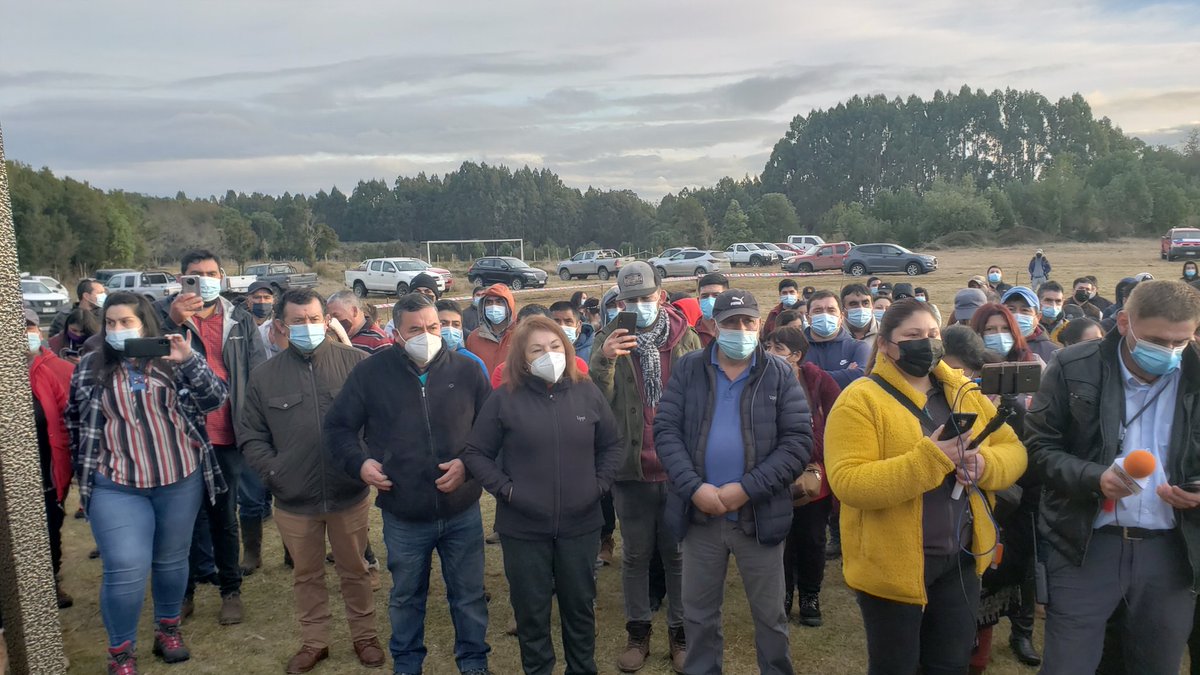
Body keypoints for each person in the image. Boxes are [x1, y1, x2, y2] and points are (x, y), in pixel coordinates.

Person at [825, 299, 1027, 675]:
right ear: (885, 344)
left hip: (961, 559)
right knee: (896, 667)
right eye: (913, 335)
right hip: (892, 567)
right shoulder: (859, 401)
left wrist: (984, 464)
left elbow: (1014, 449)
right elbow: (849, 482)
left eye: (933, 334)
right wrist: (930, 460)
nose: (927, 342)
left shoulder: (962, 391)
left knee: (949, 665)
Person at [1026, 280, 1200, 674]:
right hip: (1086, 544)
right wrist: (1094, 477)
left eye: (1182, 342)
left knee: (1156, 664)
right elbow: (1038, 449)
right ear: (1123, 322)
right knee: (1068, 665)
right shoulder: (1073, 366)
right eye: (1157, 340)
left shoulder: (1196, 374)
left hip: (1171, 552)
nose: (1170, 352)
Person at [324, 293, 493, 675]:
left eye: (433, 327)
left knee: (467, 596)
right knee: (405, 598)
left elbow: (490, 429)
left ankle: (473, 662)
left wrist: (467, 464)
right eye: (416, 329)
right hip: (403, 511)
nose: (429, 335)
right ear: (396, 333)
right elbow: (338, 428)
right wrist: (360, 462)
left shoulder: (468, 371)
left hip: (461, 510)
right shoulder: (370, 373)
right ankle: (407, 663)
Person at [67, 292, 229, 672]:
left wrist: (189, 361)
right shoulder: (90, 365)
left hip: (178, 479)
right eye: (112, 323)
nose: (119, 329)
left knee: (172, 561)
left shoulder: (173, 358)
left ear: (145, 324)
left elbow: (216, 399)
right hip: (116, 482)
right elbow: (73, 418)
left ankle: (167, 629)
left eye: (127, 322)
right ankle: (120, 651)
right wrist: (84, 469)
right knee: (125, 566)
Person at [655, 289, 811, 674]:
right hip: (700, 518)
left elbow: (797, 443)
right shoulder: (688, 368)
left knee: (771, 619)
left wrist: (747, 488)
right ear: (712, 325)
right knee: (699, 617)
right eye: (730, 322)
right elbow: (666, 431)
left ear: (760, 326)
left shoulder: (779, 373)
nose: (740, 330)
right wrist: (694, 488)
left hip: (758, 517)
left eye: (748, 322)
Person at [462, 316, 622, 675]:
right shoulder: (504, 399)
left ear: (565, 350)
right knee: (531, 613)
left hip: (580, 525)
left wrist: (597, 487)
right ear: (522, 357)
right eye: (537, 349)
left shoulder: (587, 391)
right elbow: (475, 453)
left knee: (579, 609)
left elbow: (611, 446)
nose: (547, 354)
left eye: (554, 347)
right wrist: (506, 490)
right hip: (523, 528)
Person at [238, 288, 384, 673]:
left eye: (314, 318)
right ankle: (315, 641)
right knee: (307, 575)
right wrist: (274, 472)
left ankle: (364, 636)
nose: (308, 326)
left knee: (355, 570)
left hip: (347, 493)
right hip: (293, 498)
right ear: (282, 325)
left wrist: (364, 462)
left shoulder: (357, 364)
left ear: (326, 320)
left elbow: (377, 423)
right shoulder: (264, 377)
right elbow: (251, 435)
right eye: (299, 320)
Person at [590, 261, 700, 672]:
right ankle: (639, 632)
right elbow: (597, 405)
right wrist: (605, 361)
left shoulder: (685, 338)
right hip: (631, 469)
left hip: (676, 467)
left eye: (645, 297)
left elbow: (699, 397)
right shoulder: (606, 339)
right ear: (619, 301)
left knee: (676, 554)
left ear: (661, 295)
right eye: (630, 299)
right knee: (636, 555)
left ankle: (681, 632)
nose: (639, 304)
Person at [158, 249, 266, 625]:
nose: (203, 279)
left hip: (226, 431)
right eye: (194, 273)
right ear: (181, 278)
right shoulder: (161, 316)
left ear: (221, 276)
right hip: (179, 435)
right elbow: (145, 363)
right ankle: (183, 593)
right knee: (182, 518)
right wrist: (171, 321)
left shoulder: (240, 319)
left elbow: (257, 374)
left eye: (210, 273)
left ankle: (230, 591)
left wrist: (255, 428)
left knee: (224, 515)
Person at [940, 326, 1042, 669]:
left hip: (1000, 523)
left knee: (981, 622)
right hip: (946, 527)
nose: (955, 378)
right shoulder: (929, 400)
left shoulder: (1007, 408)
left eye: (963, 372)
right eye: (946, 370)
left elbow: (1026, 466)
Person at [765, 325, 841, 628]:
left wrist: (807, 452)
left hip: (813, 481)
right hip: (773, 478)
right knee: (779, 542)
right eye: (768, 347)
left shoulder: (820, 381)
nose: (770, 354)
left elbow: (837, 423)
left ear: (796, 355)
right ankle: (782, 595)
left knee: (811, 540)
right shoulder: (759, 381)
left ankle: (810, 595)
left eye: (778, 349)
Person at [26, 308, 77, 609]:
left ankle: (50, 581)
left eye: (28, 325)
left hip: (48, 466)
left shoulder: (57, 368)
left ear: (39, 331)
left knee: (49, 524)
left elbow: (73, 416)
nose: (21, 332)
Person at [803, 290, 871, 388]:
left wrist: (808, 376)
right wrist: (847, 374)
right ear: (808, 317)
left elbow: (861, 377)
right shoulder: (796, 348)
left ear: (841, 317)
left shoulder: (858, 347)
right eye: (818, 311)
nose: (825, 315)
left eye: (831, 310)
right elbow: (790, 380)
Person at [466, 283, 517, 374]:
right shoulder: (474, 338)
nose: (494, 307)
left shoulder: (521, 335)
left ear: (509, 305)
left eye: (499, 302)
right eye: (489, 303)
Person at [1002, 286, 1059, 361]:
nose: (1017, 315)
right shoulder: (994, 346)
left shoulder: (1053, 353)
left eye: (1025, 310)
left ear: (1038, 317)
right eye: (1011, 309)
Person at [327, 290, 393, 355]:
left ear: (354, 311)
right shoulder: (332, 337)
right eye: (328, 317)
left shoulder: (378, 341)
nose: (331, 321)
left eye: (336, 315)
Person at [971, 303, 1039, 364]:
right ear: (977, 333)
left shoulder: (1031, 362)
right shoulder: (968, 369)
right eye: (990, 329)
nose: (1000, 335)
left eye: (1005, 328)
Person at [436, 299, 489, 376]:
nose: (450, 329)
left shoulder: (473, 363)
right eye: (444, 323)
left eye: (456, 324)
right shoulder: (422, 362)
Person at [695, 273, 729, 347]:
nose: (710, 301)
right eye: (705, 296)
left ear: (728, 298)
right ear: (698, 300)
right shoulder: (691, 334)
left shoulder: (735, 331)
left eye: (716, 295)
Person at [841, 283, 878, 350]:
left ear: (872, 306)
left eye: (865, 303)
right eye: (853, 304)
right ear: (843, 308)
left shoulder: (885, 332)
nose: (861, 308)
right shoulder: (835, 334)